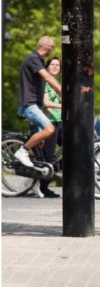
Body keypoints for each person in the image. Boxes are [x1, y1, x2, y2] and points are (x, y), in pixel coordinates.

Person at [15, 35, 62, 197]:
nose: (52, 49)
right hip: (29, 104)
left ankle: (33, 182)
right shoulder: (33, 59)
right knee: (49, 129)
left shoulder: (38, 60)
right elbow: (47, 77)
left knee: (40, 148)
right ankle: (22, 150)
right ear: (47, 47)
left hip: (34, 104)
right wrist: (63, 92)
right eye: (52, 46)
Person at [40, 55, 63, 194]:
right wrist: (62, 106)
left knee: (73, 147)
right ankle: (43, 188)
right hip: (49, 122)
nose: (55, 67)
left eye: (57, 65)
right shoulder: (45, 82)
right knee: (49, 156)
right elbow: (46, 103)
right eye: (52, 64)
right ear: (47, 67)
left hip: (59, 121)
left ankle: (57, 170)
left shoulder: (56, 84)